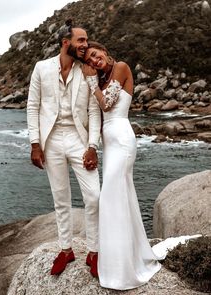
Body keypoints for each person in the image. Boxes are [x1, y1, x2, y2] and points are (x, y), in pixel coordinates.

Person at [82, 41, 161, 290]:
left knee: (109, 199)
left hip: (123, 141)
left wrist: (91, 82)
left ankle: (122, 270)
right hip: (110, 143)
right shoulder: (104, 77)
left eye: (95, 55)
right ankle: (128, 257)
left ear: (104, 51)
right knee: (122, 198)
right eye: (90, 61)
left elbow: (107, 104)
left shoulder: (122, 67)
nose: (95, 61)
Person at [27, 21, 101, 277]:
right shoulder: (41, 68)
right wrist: (35, 143)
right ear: (65, 42)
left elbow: (93, 110)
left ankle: (94, 251)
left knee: (94, 196)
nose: (86, 45)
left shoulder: (89, 70)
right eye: (81, 40)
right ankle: (66, 248)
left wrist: (93, 145)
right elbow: (33, 106)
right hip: (52, 140)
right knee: (61, 199)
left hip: (79, 139)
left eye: (87, 41)